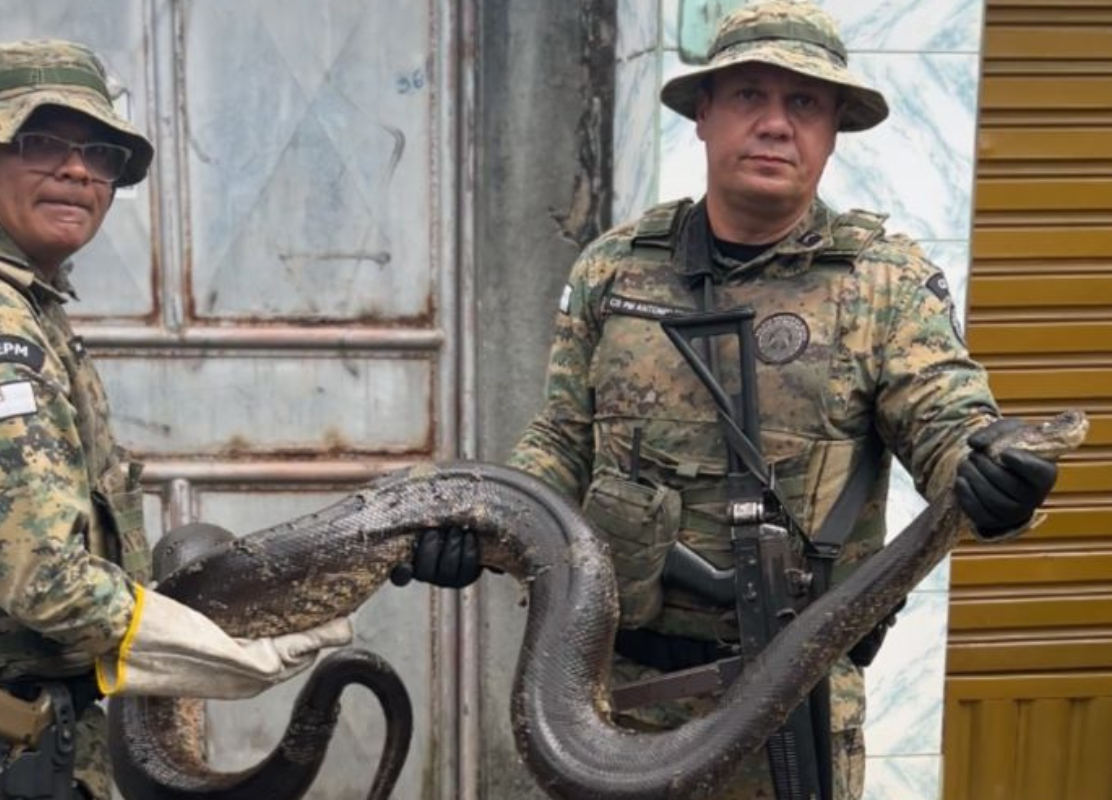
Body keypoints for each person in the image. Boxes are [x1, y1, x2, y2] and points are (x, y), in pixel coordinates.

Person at [399, 2, 1058, 799]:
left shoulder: (881, 283)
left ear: (834, 129)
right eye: (749, 95)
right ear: (704, 115)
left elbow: (947, 417)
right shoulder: (616, 269)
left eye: (804, 103)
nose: (776, 124)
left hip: (792, 706)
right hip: (614, 703)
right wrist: (481, 519)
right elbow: (563, 440)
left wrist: (992, 474)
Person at [0, 40, 351, 800]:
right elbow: (43, 578)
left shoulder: (14, 302)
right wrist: (208, 653)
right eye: (40, 141)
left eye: (101, 153)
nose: (78, 170)